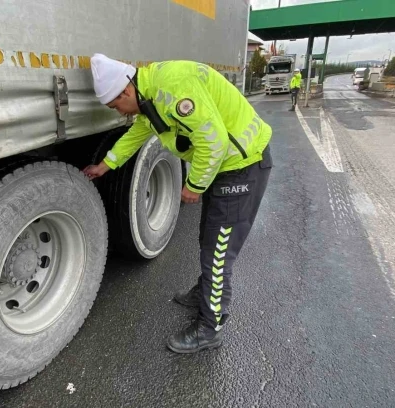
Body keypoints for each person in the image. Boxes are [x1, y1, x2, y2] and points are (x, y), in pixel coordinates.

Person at [83, 53, 273, 354]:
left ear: (125, 91)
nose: (119, 112)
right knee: (208, 240)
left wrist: (193, 185)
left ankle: (210, 328)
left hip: (242, 165)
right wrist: (105, 165)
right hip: (226, 167)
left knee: (218, 251)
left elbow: (214, 142)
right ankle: (206, 293)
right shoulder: (150, 95)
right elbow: (137, 134)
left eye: (115, 105)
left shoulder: (172, 88)